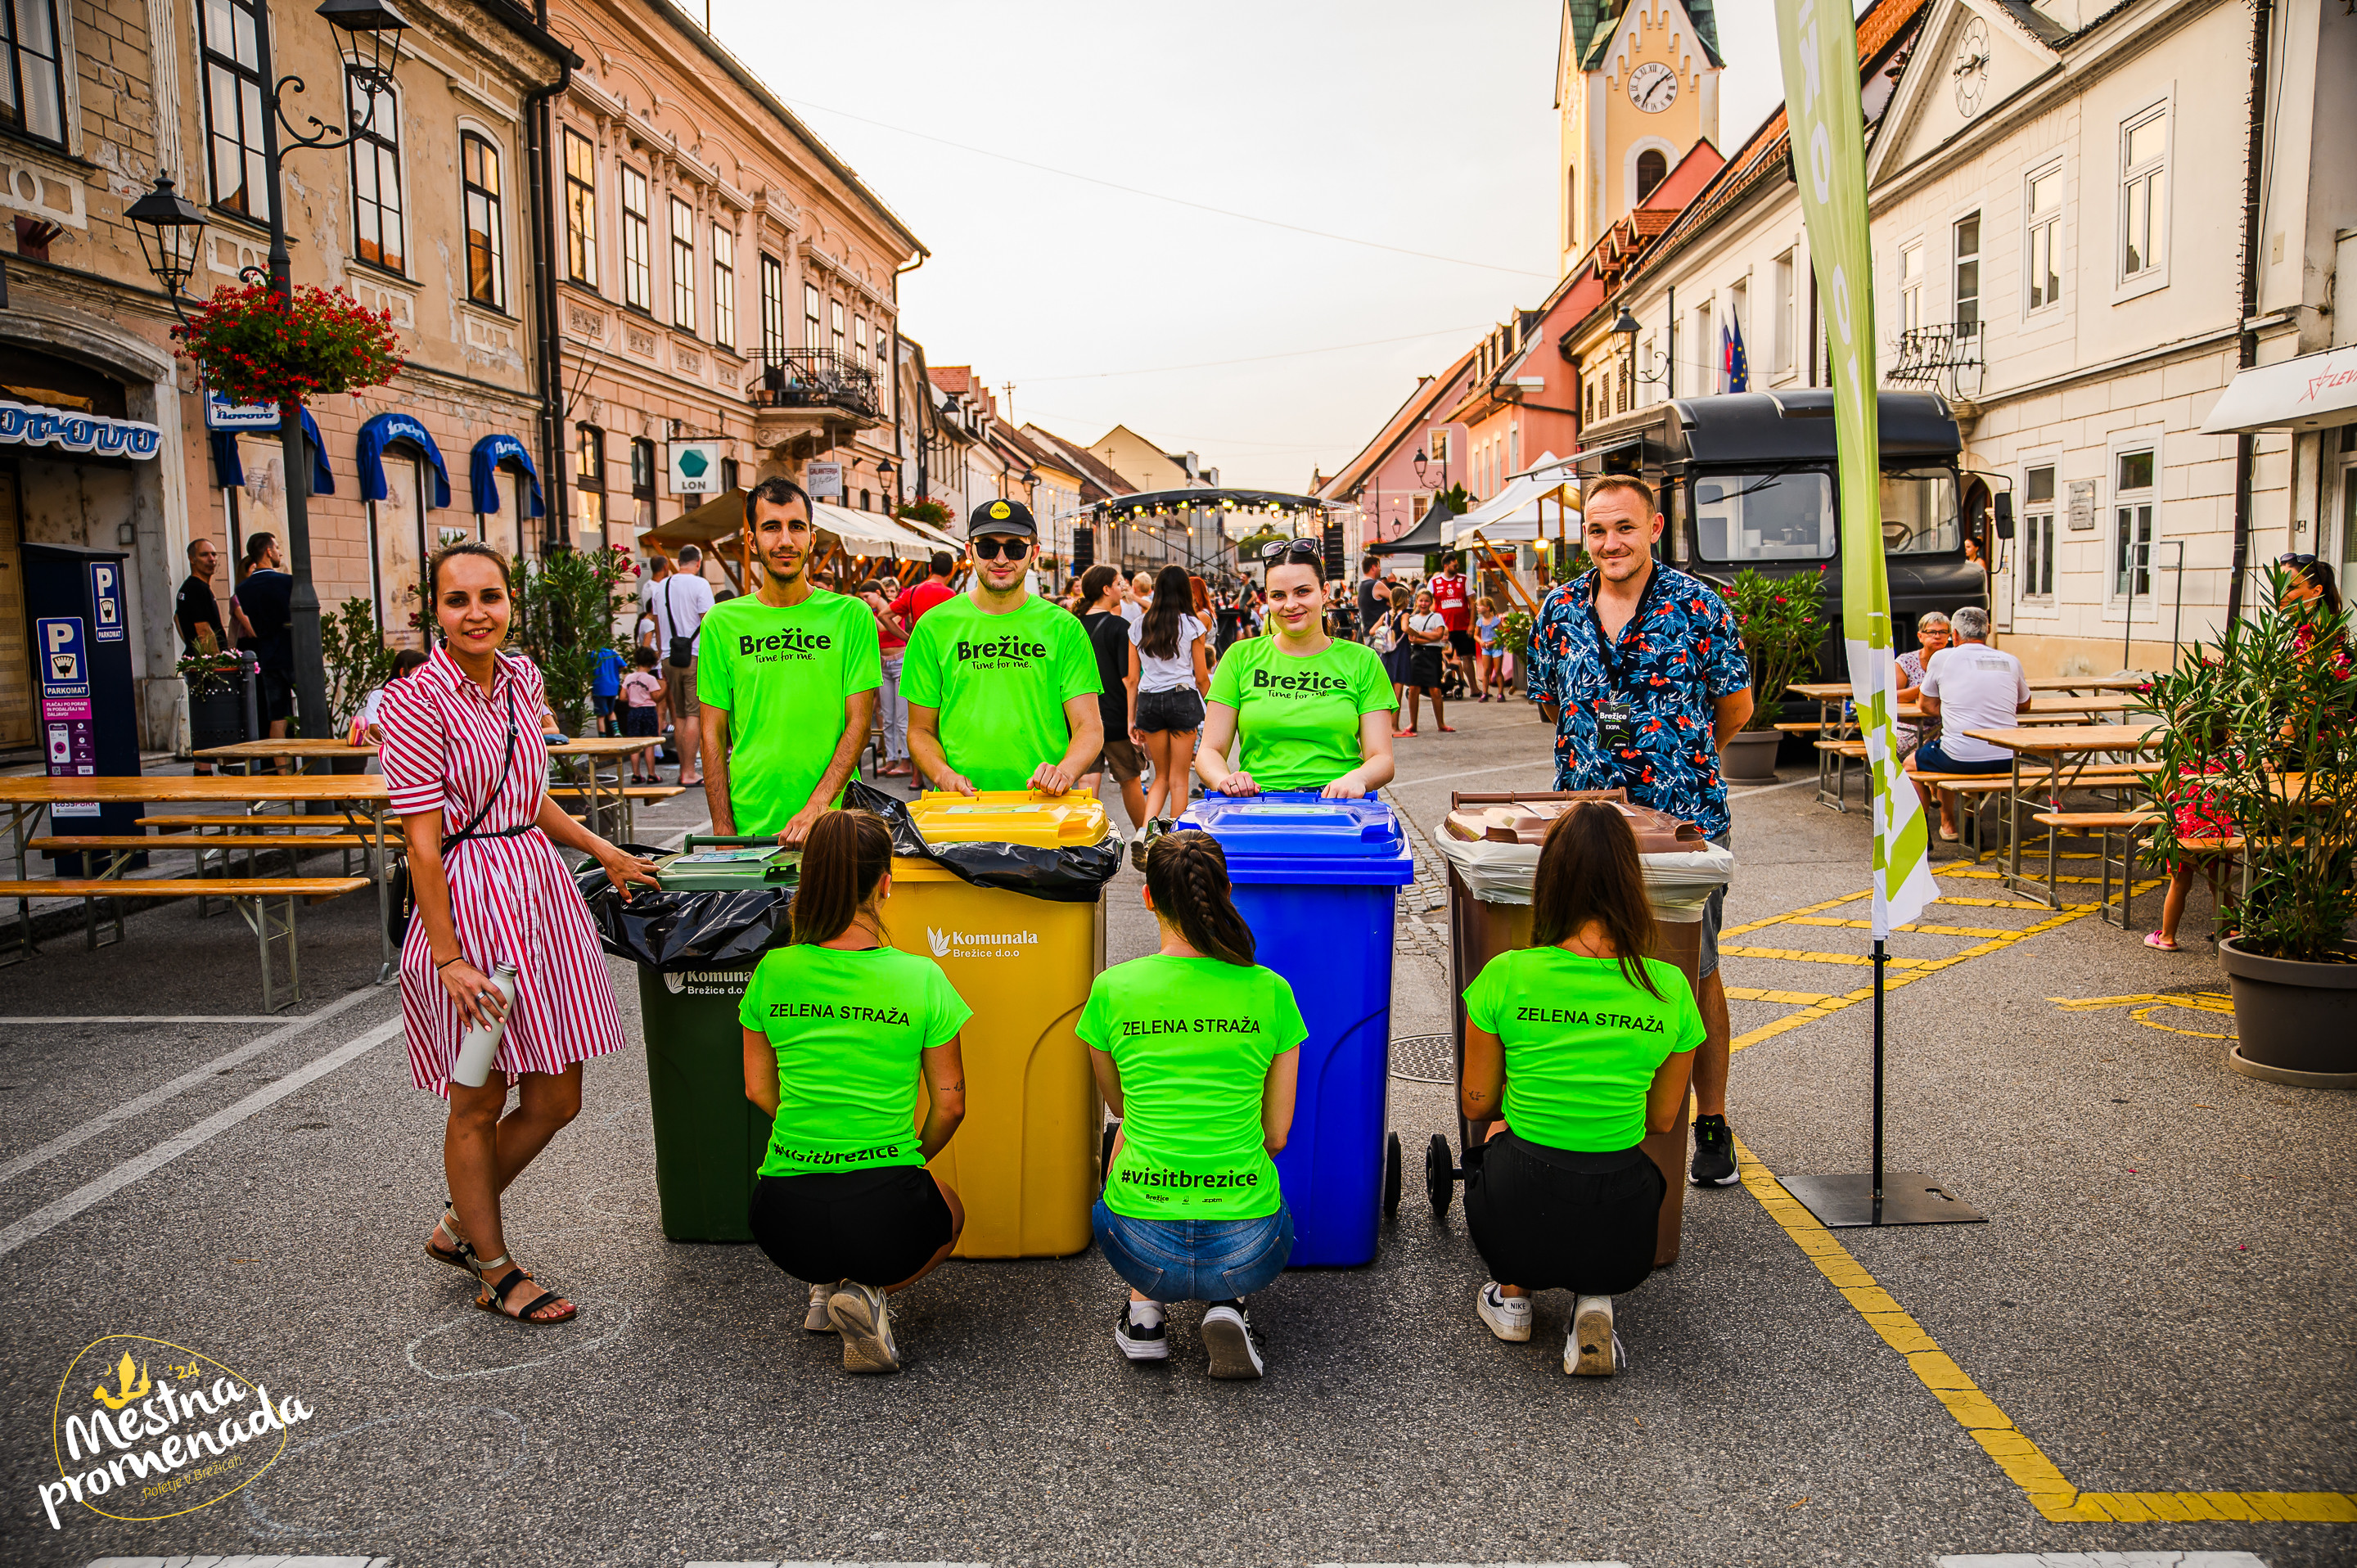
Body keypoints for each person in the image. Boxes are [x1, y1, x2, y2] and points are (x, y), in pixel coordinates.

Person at [387, 542, 660, 1326]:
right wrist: (447, 958)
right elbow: (423, 844)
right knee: (477, 1101)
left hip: (539, 898)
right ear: (433, 613)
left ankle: (456, 1223)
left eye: (490, 597)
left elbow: (525, 796)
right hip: (469, 911)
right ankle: (494, 1263)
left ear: (511, 602)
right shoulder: (415, 702)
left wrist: (602, 849)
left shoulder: (521, 680)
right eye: (457, 600)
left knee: (557, 1097)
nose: (476, 613)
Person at [1526, 475, 1753, 1187]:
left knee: (1697, 971)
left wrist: (1678, 764)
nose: (1609, 543)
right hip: (1587, 825)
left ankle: (1709, 1122)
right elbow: (1547, 705)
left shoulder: (1697, 606)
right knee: (1588, 964)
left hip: (1684, 825)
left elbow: (1736, 708)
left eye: (1623, 528)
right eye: (1596, 530)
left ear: (1654, 529)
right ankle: (1597, 1118)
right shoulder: (1561, 608)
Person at [1459, 801, 1705, 1377]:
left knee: (1504, 1136)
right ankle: (1593, 1300)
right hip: (1623, 1220)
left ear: (1551, 880)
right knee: (1608, 1162)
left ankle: (1513, 1298)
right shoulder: (1669, 987)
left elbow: (1476, 1101)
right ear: (1631, 884)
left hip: (1519, 1209)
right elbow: (1664, 1120)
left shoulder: (1508, 973)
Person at [740, 809, 970, 1373]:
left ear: (810, 877)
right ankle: (865, 1292)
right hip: (886, 1210)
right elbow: (951, 1104)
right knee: (953, 1215)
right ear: (885, 883)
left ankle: (821, 1288)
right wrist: (909, 1156)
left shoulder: (773, 971)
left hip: (780, 1221)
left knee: (827, 1209)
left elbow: (755, 1089)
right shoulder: (921, 978)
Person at [1084, 829, 1302, 1379]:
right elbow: (1276, 1136)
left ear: (1149, 899)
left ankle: (1144, 1318)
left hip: (1137, 1240)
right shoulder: (1271, 991)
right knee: (1252, 1180)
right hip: (1249, 1242)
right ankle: (1229, 1304)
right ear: (1226, 891)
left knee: (1134, 1136)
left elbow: (1120, 1107)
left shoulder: (1112, 990)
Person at [696, 475, 881, 845]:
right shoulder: (721, 622)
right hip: (751, 821)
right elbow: (712, 734)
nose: (785, 541)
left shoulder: (851, 616)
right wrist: (722, 829)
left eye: (796, 527)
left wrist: (817, 806)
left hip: (836, 820)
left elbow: (859, 725)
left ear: (811, 538)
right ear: (752, 540)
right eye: (771, 528)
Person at [904, 498, 1103, 795]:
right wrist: (944, 775)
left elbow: (1089, 727)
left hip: (1043, 804)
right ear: (970, 550)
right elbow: (920, 730)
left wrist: (1063, 772)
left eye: (1014, 548)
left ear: (1033, 553)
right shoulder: (933, 627)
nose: (1000, 559)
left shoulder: (1064, 628)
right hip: (961, 807)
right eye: (987, 547)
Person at [1197, 538, 1396, 801]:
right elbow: (1210, 750)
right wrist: (1225, 779)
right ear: (1267, 599)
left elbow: (1381, 758)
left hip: (1340, 803)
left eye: (1303, 592)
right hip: (1259, 802)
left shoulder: (1363, 660)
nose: (1290, 604)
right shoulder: (1239, 657)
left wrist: (1357, 778)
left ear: (1324, 592)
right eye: (1279, 595)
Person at [1909, 606, 2031, 842]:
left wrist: (1953, 711)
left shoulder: (1943, 658)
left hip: (1959, 756)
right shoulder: (2010, 660)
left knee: (1910, 765)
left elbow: (1925, 705)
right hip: (2007, 758)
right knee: (1977, 760)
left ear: (1954, 635)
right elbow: (2025, 704)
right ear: (1988, 631)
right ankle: (1973, 830)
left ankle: (1921, 834)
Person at [1129, 564, 1212, 855]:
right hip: (1181, 698)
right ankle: (1173, 845)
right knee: (1179, 779)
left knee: (1159, 776)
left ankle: (1144, 831)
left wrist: (1132, 718)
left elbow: (1131, 679)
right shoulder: (1192, 626)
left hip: (1149, 702)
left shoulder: (1139, 625)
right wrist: (1216, 709)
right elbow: (1201, 677)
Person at [1075, 564, 1149, 831]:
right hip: (1116, 714)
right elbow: (1129, 678)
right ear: (1106, 589)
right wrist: (1133, 718)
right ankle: (1144, 836)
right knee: (1130, 778)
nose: (1123, 589)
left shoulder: (1074, 625)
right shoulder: (1120, 627)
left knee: (1086, 779)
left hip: (1080, 715)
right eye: (1119, 584)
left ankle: (1083, 839)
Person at [646, 548, 714, 786]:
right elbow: (708, 622)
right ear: (697, 563)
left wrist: (662, 656)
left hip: (668, 656)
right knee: (694, 712)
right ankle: (688, 772)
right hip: (695, 655)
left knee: (679, 715)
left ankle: (684, 771)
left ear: (678, 563)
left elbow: (657, 623)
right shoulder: (700, 585)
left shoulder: (660, 587)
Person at [237, 533, 295, 768]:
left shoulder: (244, 588)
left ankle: (282, 775)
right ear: (268, 552)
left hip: (267, 654)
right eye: (277, 547)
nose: (280, 552)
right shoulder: (288, 582)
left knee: (277, 715)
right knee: (315, 712)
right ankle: (319, 771)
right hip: (293, 653)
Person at [857, 577, 912, 777]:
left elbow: (883, 627)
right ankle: (891, 759)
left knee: (902, 717)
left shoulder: (892, 608)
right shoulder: (873, 612)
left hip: (900, 663)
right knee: (887, 716)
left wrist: (873, 611)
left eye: (866, 596)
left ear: (877, 593)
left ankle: (906, 760)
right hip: (884, 665)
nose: (865, 601)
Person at [1893, 611, 1952, 758]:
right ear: (1920, 636)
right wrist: (1924, 688)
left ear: (1950, 636)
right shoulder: (1906, 661)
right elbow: (1892, 696)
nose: (1937, 636)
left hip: (1948, 727)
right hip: (1911, 727)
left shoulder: (1955, 659)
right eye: (1931, 632)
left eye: (1943, 632)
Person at [1399, 588, 1453, 736]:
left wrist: (1420, 635)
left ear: (1431, 602)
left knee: (1435, 689)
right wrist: (1428, 636)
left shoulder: (1437, 617)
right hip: (1416, 655)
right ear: (1416, 602)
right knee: (1413, 690)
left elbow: (1439, 635)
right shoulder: (1413, 618)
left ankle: (1441, 723)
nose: (1424, 603)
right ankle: (1413, 724)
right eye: (1421, 600)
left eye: (1427, 601)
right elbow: (1412, 638)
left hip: (1433, 655)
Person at [354, 647, 429, 745]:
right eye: (420, 670)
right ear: (402, 672)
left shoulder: (429, 695)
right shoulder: (380, 696)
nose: (425, 674)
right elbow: (376, 731)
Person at [620, 647, 667, 783]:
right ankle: (652, 774)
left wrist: (634, 696)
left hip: (633, 711)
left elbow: (622, 697)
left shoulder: (629, 678)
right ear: (652, 662)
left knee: (635, 744)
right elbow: (656, 697)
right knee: (649, 744)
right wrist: (666, 688)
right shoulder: (650, 679)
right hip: (648, 711)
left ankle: (636, 774)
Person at [889, 551, 960, 638]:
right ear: (951, 572)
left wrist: (908, 639)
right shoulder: (950, 595)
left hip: (919, 644)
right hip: (940, 645)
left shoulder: (913, 590)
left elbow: (883, 616)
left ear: (930, 568)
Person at [1429, 556, 1476, 683]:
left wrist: (1472, 624)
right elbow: (1430, 604)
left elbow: (1472, 603)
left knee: (1467, 656)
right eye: (1454, 565)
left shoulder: (1464, 579)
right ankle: (1446, 685)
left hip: (1462, 626)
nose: (1457, 567)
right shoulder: (1434, 581)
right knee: (1443, 656)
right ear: (1445, 565)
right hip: (1443, 628)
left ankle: (1474, 688)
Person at [589, 643, 625, 737]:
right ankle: (616, 731)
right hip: (612, 686)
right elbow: (624, 666)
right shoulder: (612, 653)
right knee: (611, 710)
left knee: (601, 715)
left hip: (599, 687)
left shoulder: (593, 655)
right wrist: (615, 672)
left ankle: (603, 737)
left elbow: (588, 671)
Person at [1472, 597, 1503, 702]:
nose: (1478, 607)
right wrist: (1481, 641)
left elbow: (1502, 635)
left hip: (1496, 647)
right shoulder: (1480, 622)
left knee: (1498, 670)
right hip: (1485, 647)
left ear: (1488, 608)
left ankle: (1500, 693)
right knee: (1486, 671)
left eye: (1480, 605)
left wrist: (1493, 642)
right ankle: (1485, 692)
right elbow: (1475, 635)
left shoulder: (1496, 621)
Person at [1355, 555, 1390, 646]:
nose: (1380, 569)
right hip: (1379, 634)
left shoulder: (1362, 585)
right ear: (1373, 567)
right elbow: (1397, 599)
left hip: (1368, 633)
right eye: (1379, 566)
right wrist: (1390, 603)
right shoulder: (1376, 584)